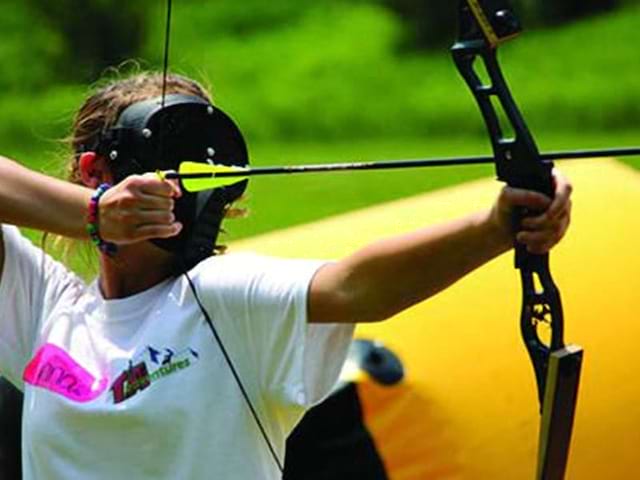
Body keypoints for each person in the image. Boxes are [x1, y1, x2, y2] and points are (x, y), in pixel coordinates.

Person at [0, 72, 572, 480]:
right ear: (96, 171)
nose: (185, 197)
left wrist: (495, 226)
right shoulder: (47, 307)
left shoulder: (221, 300)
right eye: (165, 174)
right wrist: (93, 214)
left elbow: (357, 286)